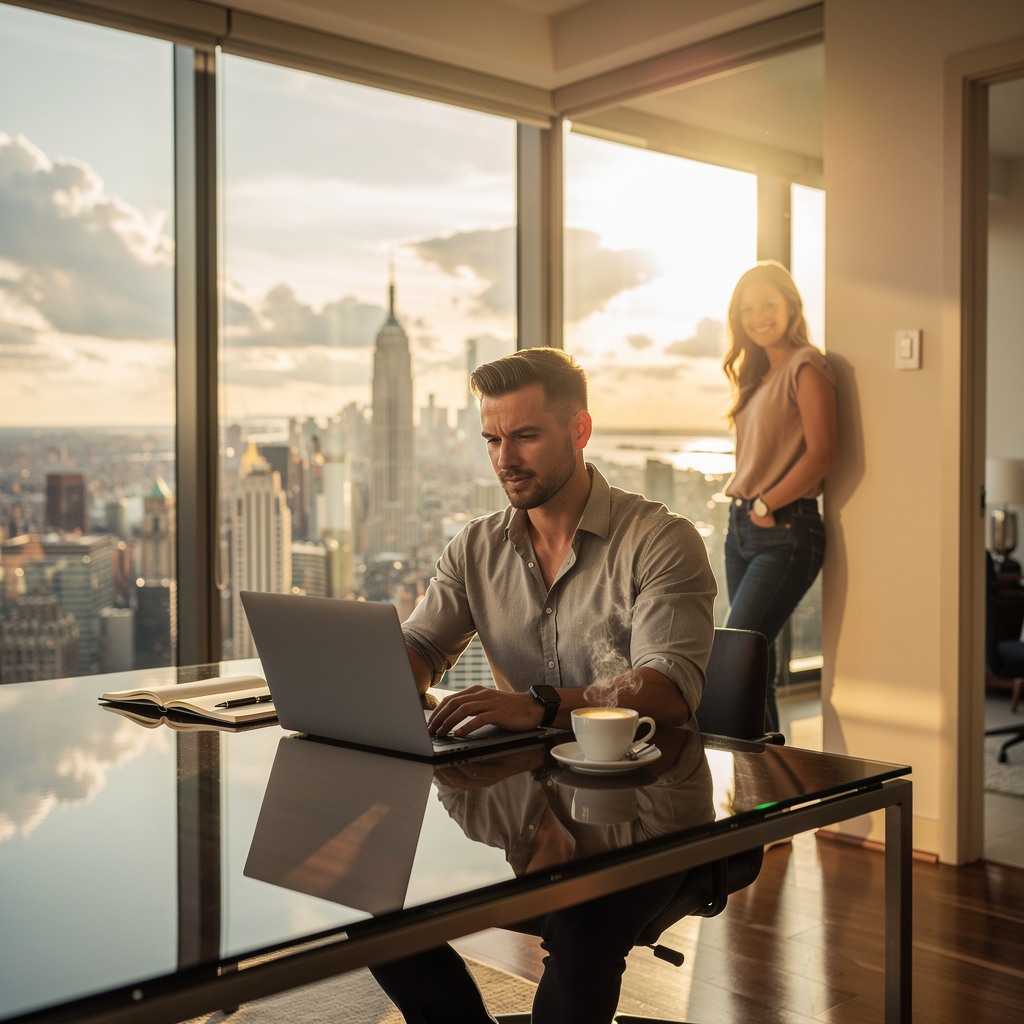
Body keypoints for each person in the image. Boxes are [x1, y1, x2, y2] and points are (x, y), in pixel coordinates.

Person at [369, 346, 718, 1024]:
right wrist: (387, 678)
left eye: (525, 435)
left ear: (578, 432)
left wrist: (543, 704)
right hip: (527, 815)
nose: (505, 457)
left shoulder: (660, 539)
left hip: (650, 820)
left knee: (583, 924)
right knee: (373, 897)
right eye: (493, 439)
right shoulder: (474, 548)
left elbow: (669, 689)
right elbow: (420, 644)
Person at [721, 260, 837, 734]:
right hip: (742, 531)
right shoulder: (755, 377)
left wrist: (766, 504)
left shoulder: (806, 365)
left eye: (768, 304)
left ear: (790, 305)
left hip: (785, 529)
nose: (758, 316)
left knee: (736, 655)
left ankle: (762, 779)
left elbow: (823, 451)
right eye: (748, 308)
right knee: (755, 664)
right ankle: (765, 786)